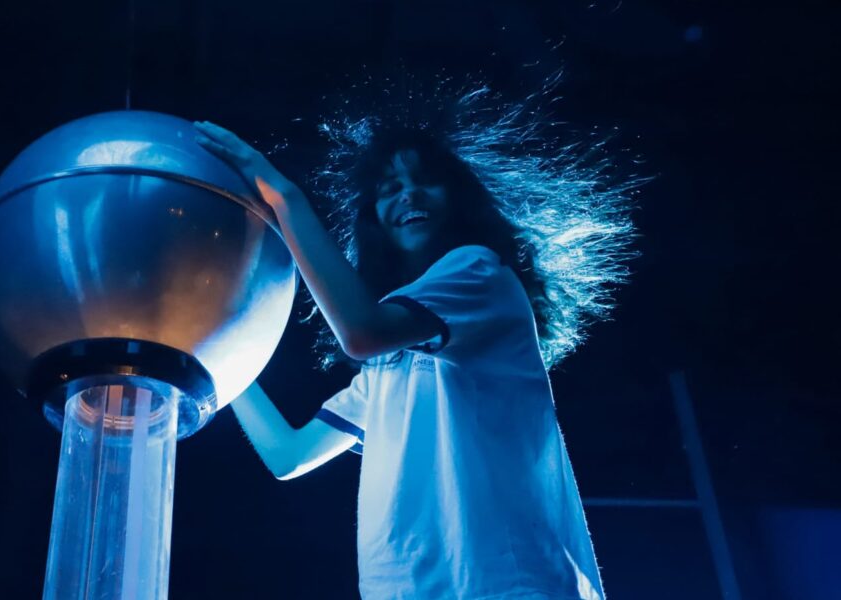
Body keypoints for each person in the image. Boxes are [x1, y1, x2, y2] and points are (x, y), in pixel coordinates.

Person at [194, 118, 608, 600]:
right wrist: (215, 347)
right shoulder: (387, 371)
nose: (409, 194)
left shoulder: (479, 271)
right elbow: (289, 455)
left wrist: (284, 196)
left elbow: (360, 331)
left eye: (425, 180)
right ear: (374, 217)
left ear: (459, 198)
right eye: (390, 188)